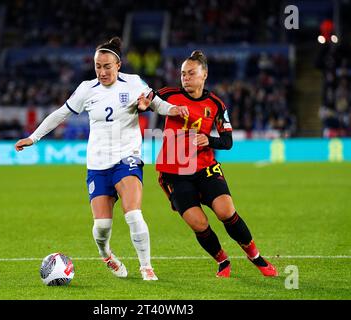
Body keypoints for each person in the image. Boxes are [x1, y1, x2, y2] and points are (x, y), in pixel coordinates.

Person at [15, 37, 188, 281]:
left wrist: (173, 109)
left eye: (107, 66)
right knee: (103, 227)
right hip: (97, 164)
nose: (102, 71)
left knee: (133, 214)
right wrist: (33, 138)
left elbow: (156, 104)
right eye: (98, 66)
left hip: (127, 157)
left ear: (118, 65)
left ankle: (146, 266)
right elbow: (60, 114)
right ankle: (106, 253)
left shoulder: (134, 82)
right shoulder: (87, 89)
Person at [155, 50, 278, 278]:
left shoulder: (216, 104)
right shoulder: (167, 95)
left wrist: (208, 139)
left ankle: (255, 256)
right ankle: (222, 260)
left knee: (226, 211)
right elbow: (144, 100)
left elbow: (227, 141)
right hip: (174, 171)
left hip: (205, 166)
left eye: (191, 73)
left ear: (204, 75)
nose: (185, 78)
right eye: (182, 74)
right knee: (199, 224)